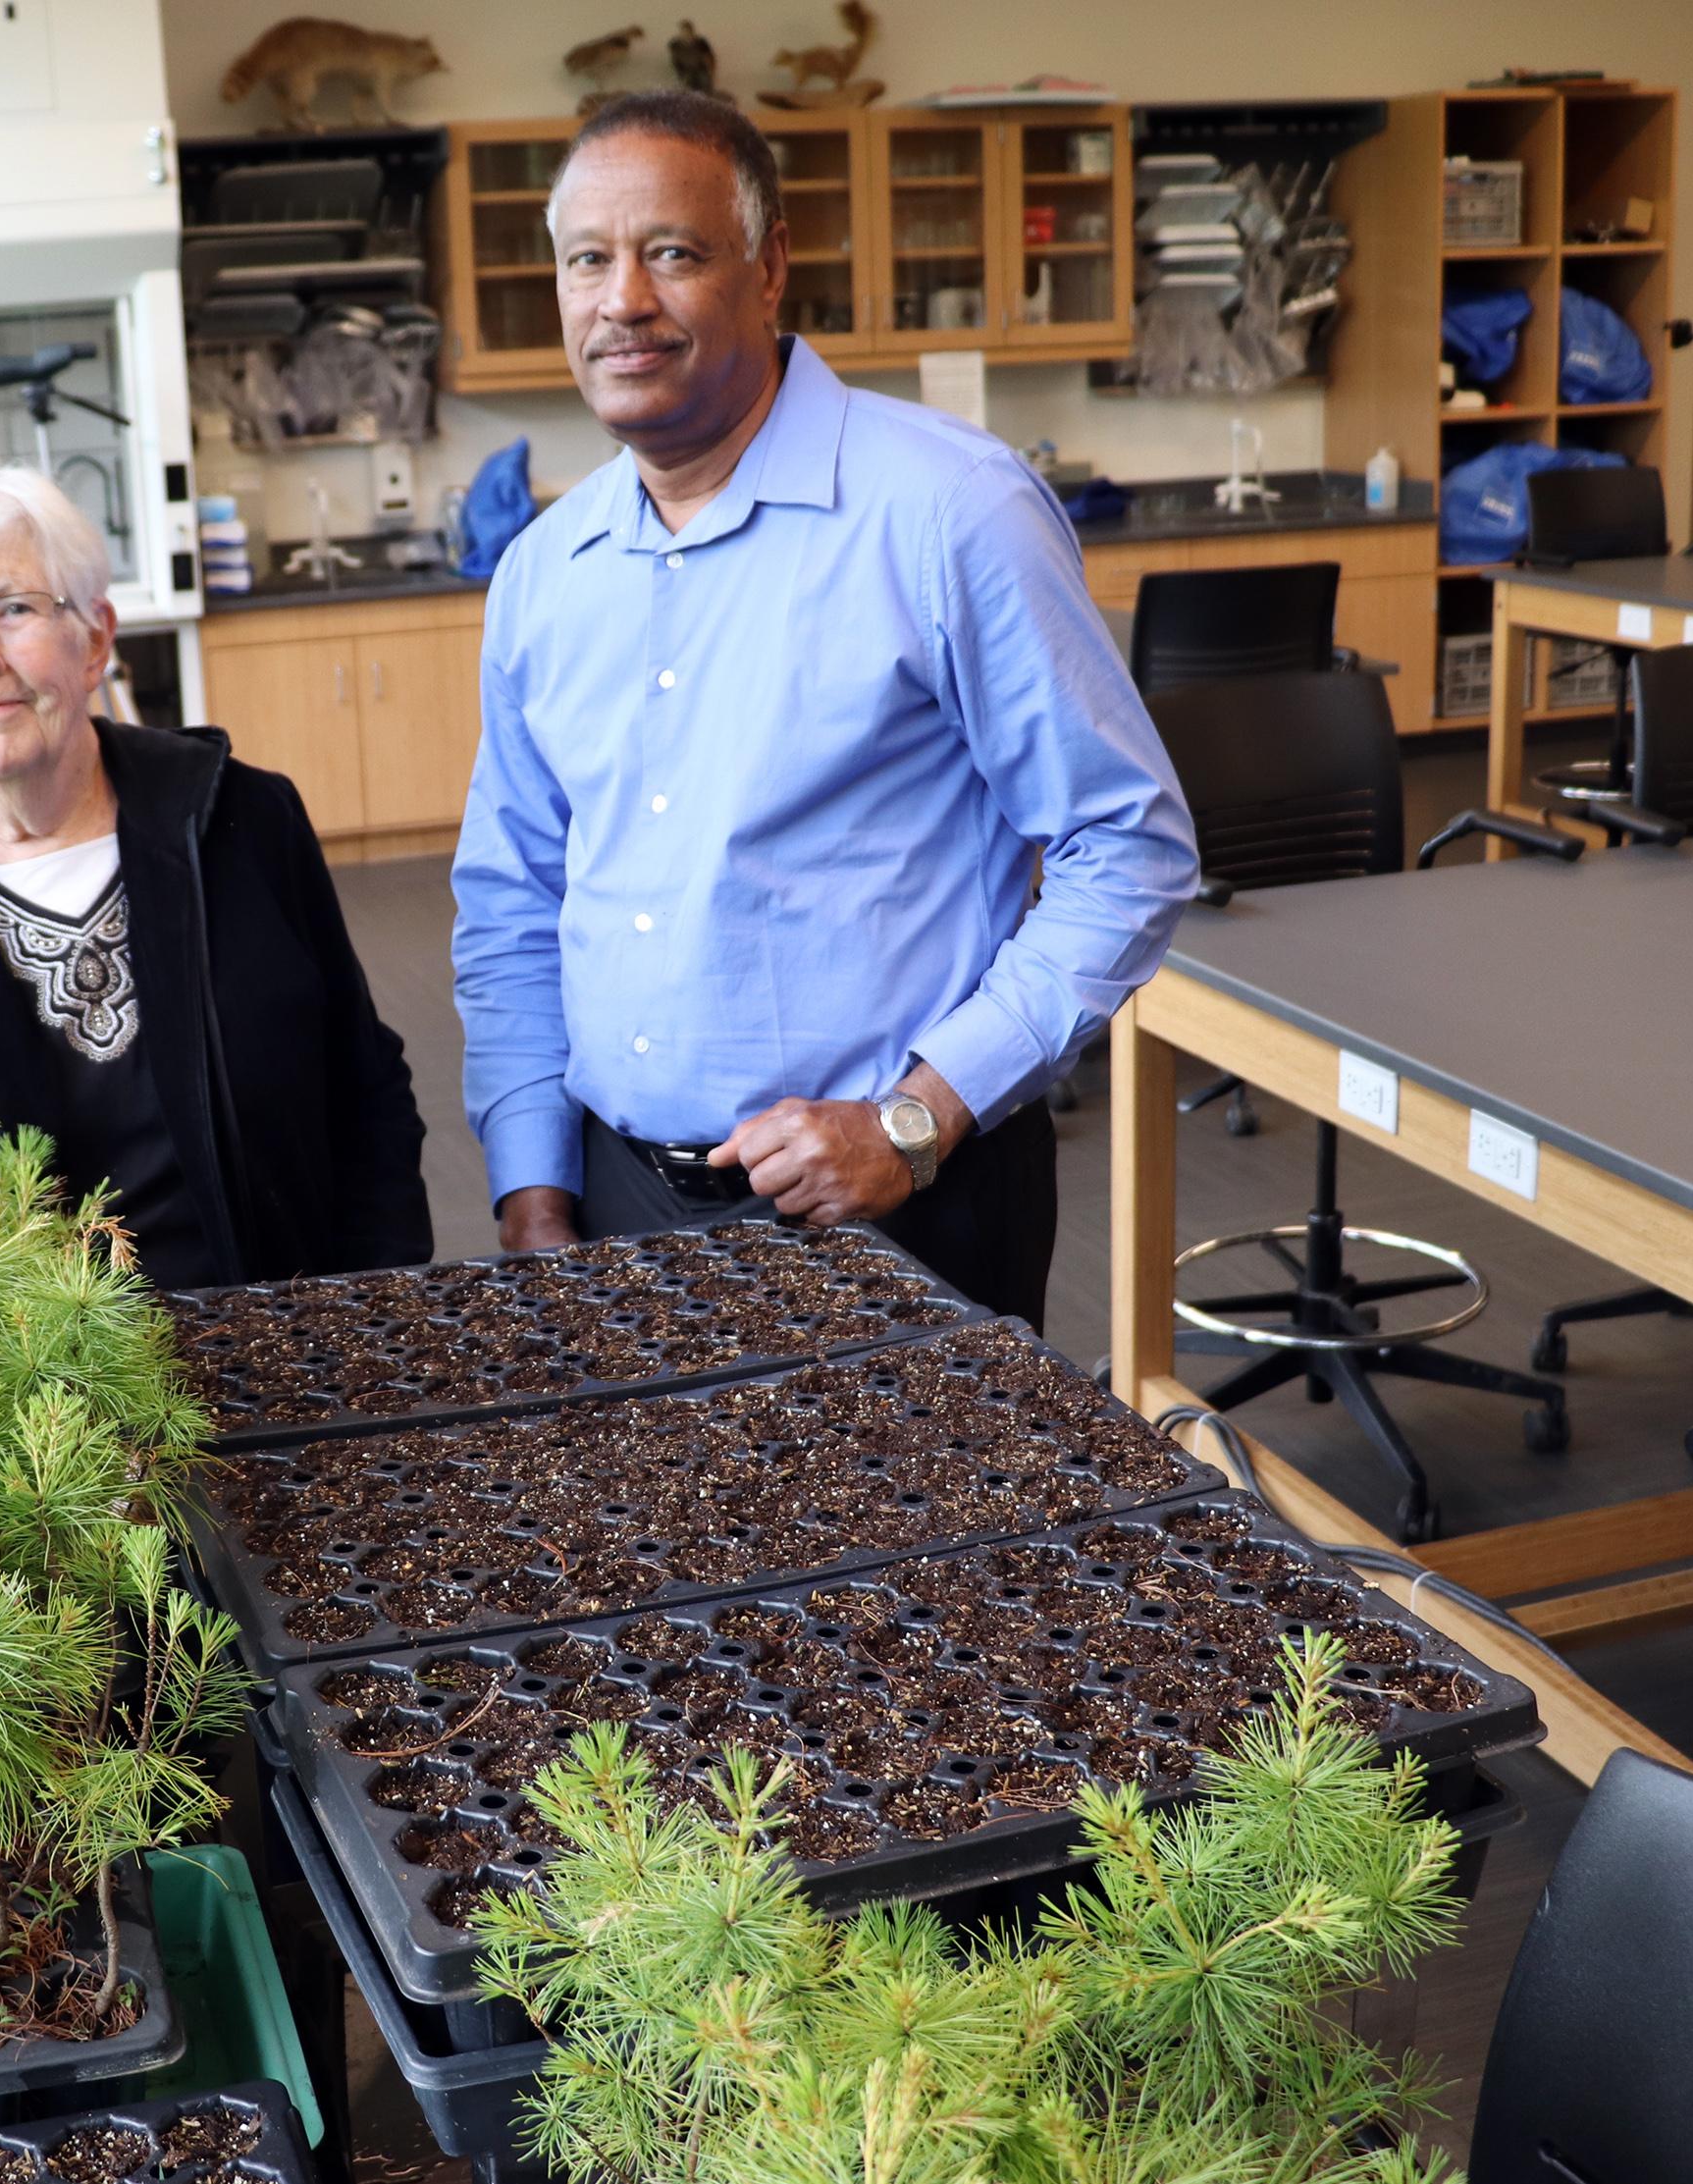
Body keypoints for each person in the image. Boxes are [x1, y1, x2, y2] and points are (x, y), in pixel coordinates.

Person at [451, 93, 1196, 1329]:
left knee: (938, 1528)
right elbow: (514, 899)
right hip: (613, 1204)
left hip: (895, 1200)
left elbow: (1128, 846)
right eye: (588, 259)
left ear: (770, 265)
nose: (622, 298)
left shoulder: (948, 512)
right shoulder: (546, 569)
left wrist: (917, 1116)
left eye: (673, 252)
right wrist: (531, 1187)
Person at [0, 452, 431, 1290]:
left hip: (294, 1359)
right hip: (30, 1411)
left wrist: (368, 1322)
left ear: (95, 638)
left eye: (12, 608)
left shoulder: (242, 822)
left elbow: (365, 1088)